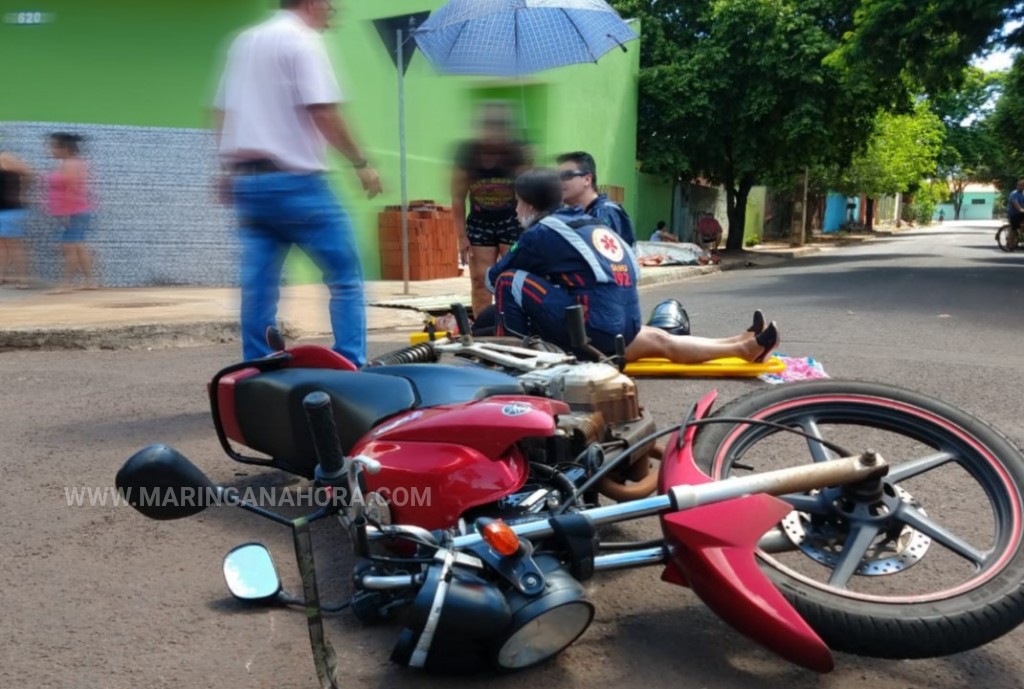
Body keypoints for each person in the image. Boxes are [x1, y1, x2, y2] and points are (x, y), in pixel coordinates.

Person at [213, 0, 383, 366]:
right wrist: (361, 163)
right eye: (330, 4)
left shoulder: (245, 41)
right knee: (345, 275)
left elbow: (221, 110)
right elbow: (322, 109)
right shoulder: (302, 41)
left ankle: (258, 371)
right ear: (311, 2)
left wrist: (227, 168)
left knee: (258, 287)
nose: (332, 10)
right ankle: (351, 365)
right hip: (297, 185)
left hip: (250, 184)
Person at [485, 168, 779, 364]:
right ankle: (744, 345)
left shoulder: (541, 232)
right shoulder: (588, 222)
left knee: (510, 281)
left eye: (517, 203)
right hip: (624, 325)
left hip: (592, 329)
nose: (515, 209)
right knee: (663, 340)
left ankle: (514, 359)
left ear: (529, 204)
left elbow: (492, 279)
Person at [451, 102, 532, 317]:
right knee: (480, 280)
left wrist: (529, 164)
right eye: (489, 125)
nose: (493, 131)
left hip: (512, 222)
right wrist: (461, 236)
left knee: (512, 278)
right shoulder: (467, 152)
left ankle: (513, 327)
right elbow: (457, 197)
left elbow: (530, 190)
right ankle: (484, 329)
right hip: (479, 223)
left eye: (499, 125)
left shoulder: (517, 151)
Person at [46, 133, 96, 293]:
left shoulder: (71, 164)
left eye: (54, 146)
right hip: (76, 211)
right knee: (78, 246)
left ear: (65, 148)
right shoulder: (70, 163)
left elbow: (72, 189)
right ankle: (90, 282)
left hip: (74, 212)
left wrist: (67, 213)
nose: (51, 150)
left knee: (69, 248)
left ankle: (66, 284)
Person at [557, 151, 636, 247]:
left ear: (587, 179)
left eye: (566, 176)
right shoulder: (574, 212)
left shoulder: (605, 212)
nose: (559, 182)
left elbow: (609, 258)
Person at [0, 149, 33, 289]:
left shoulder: (4, 158)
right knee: (2, 245)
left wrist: (23, 193)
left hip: (10, 208)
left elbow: (28, 172)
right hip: (5, 208)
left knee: (14, 245)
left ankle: (23, 278)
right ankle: (2, 276)